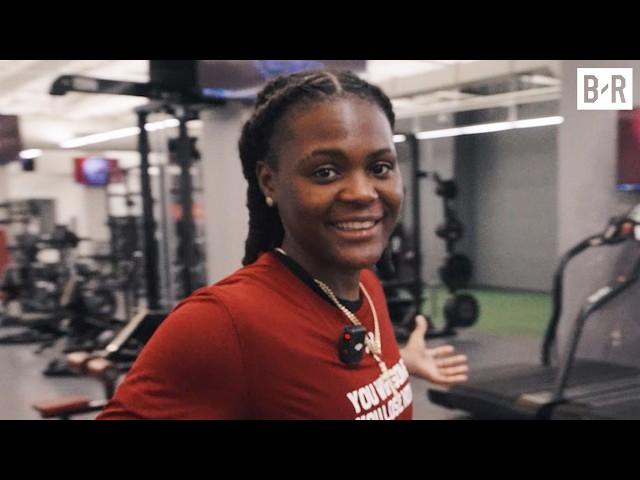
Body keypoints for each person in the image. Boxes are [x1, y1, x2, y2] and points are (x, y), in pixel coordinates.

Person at [97, 69, 468, 420]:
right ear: (269, 183)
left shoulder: (366, 288)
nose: (362, 193)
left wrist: (400, 366)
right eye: (326, 172)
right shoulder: (221, 323)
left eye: (380, 168)